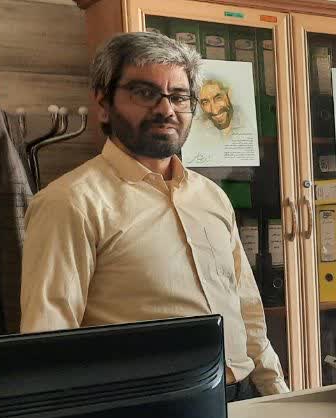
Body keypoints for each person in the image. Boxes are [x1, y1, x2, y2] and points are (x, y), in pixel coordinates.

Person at [19, 31, 287, 399]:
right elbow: (48, 343)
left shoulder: (211, 196)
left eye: (179, 96)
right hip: (148, 410)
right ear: (103, 103)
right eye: (145, 93)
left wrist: (276, 392)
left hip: (243, 397)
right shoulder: (70, 203)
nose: (166, 109)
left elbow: (247, 309)